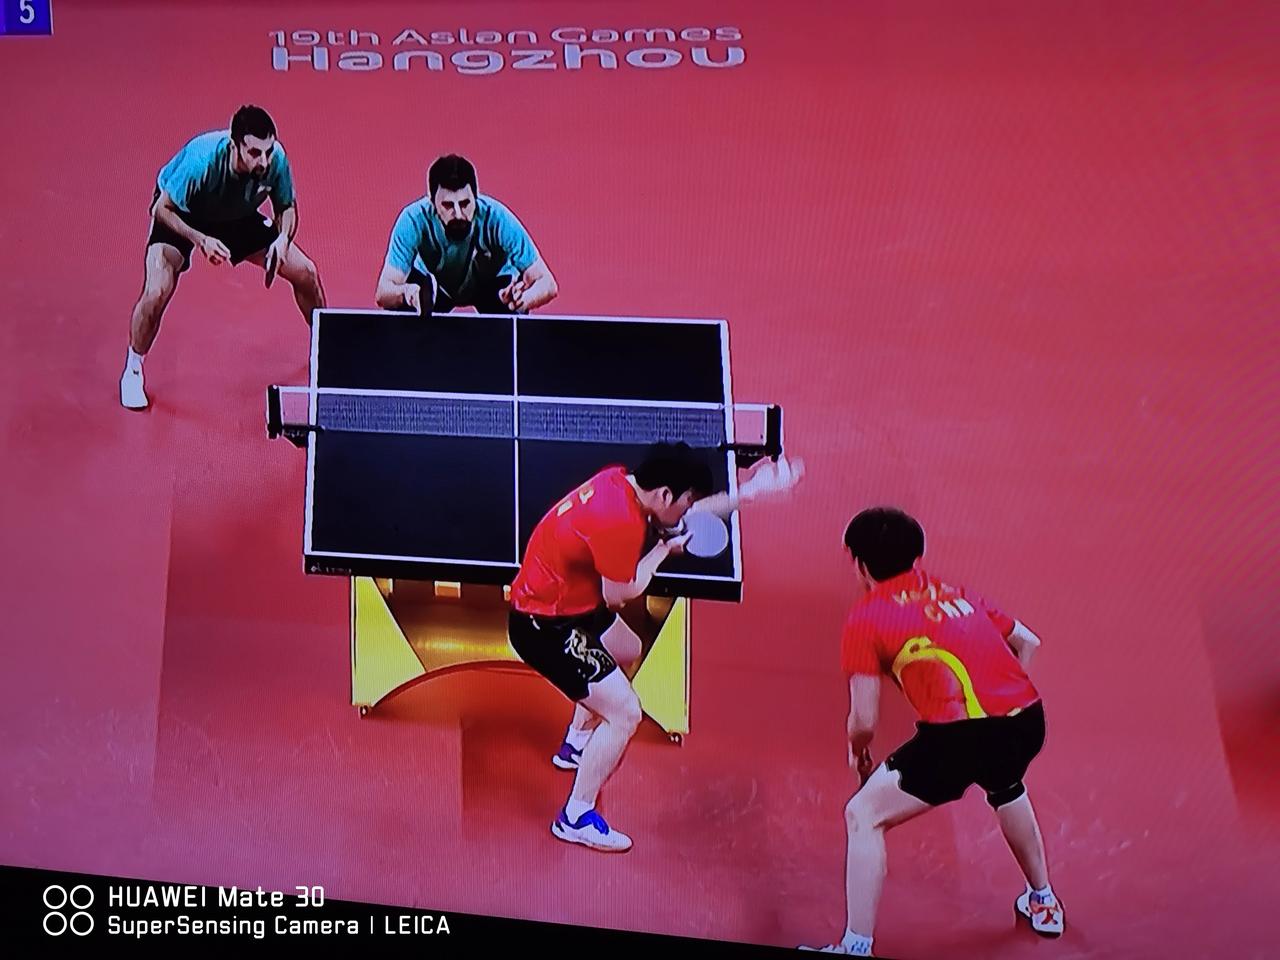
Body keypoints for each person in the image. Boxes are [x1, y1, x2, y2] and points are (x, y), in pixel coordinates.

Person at [507, 443, 802, 852]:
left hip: (570, 601)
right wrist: (663, 550)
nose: (688, 509)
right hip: (544, 625)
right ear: (664, 494)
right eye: (686, 501)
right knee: (626, 713)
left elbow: (685, 514)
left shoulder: (621, 481)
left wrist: (750, 493)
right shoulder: (619, 521)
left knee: (627, 649)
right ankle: (575, 815)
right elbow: (619, 595)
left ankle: (575, 743)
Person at [801, 507, 1063, 956]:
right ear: (916, 556)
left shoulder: (866, 619)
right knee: (1005, 784)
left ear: (860, 565)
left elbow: (864, 719)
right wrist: (1000, 709)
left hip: (957, 740)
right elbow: (1028, 642)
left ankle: (855, 947)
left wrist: (857, 753)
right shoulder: (955, 592)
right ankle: (1043, 900)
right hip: (1026, 720)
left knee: (863, 815)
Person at [121, 105, 326, 410]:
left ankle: (326, 348)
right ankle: (133, 369)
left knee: (306, 272)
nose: (263, 161)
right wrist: (201, 240)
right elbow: (160, 210)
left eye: (267, 152)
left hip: (236, 216)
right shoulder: (201, 160)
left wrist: (283, 239)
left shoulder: (275, 160)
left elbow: (286, 207)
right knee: (157, 291)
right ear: (234, 146)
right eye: (254, 153)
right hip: (184, 216)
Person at [375, 154, 557, 315]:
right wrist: (408, 294)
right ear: (432, 202)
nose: (458, 214)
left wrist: (523, 299)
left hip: (493, 287)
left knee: (507, 317)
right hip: (434, 287)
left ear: (476, 197)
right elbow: (383, 292)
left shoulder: (499, 220)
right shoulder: (413, 220)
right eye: (447, 205)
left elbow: (548, 284)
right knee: (408, 309)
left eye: (464, 204)